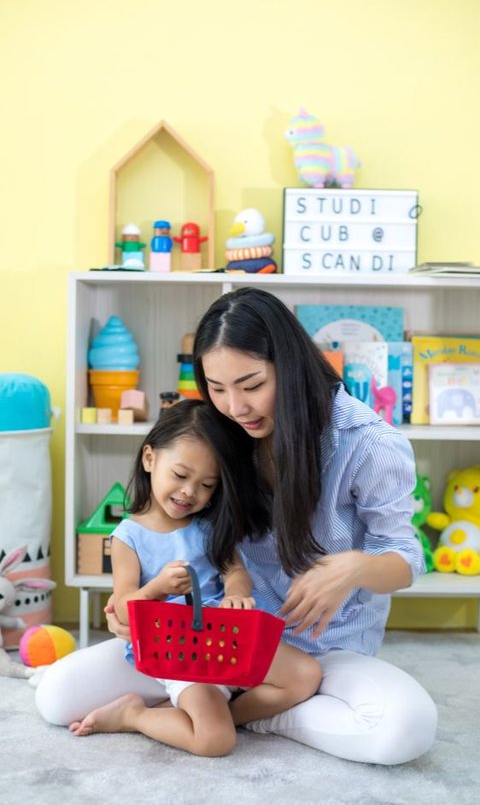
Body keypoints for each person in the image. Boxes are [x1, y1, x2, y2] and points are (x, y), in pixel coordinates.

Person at [35, 287, 438, 764]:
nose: (235, 406)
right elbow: (171, 517)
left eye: (251, 385)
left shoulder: (366, 442)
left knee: (404, 730)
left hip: (322, 648)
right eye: (217, 388)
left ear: (288, 366)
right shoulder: (224, 430)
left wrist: (354, 568)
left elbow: (405, 557)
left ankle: (235, 714)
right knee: (56, 697)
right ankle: (225, 708)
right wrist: (133, 603)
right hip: (215, 637)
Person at [65, 401, 322, 756]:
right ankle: (135, 714)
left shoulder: (210, 526)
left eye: (206, 485)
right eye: (181, 475)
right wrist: (157, 589)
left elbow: (236, 573)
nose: (190, 492)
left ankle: (224, 715)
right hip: (179, 650)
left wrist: (236, 593)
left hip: (228, 639)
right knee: (214, 742)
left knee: (305, 675)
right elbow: (124, 608)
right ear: (150, 459)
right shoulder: (128, 536)